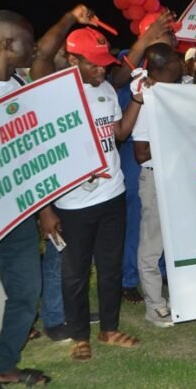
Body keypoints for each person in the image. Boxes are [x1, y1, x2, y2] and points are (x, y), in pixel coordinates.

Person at [38, 27, 143, 361]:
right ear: (72, 60)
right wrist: (46, 209)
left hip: (112, 194)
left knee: (110, 268)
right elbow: (43, 154)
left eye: (104, 64)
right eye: (94, 64)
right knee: (75, 273)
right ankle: (79, 335)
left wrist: (138, 99)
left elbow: (120, 134)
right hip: (73, 203)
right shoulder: (53, 96)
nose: (102, 70)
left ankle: (109, 328)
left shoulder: (108, 90)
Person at [0, 10, 48, 386]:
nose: (35, 46)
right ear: (8, 44)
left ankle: (3, 365)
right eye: (29, 39)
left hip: (19, 215)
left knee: (26, 292)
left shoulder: (27, 88)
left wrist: (45, 209)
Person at [132, 43, 183, 327]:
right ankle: (154, 305)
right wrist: (175, 139)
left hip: (174, 176)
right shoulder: (147, 98)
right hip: (154, 178)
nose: (181, 63)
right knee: (152, 245)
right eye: (176, 59)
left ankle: (178, 296)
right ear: (164, 65)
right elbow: (140, 153)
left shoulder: (168, 93)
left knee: (175, 242)